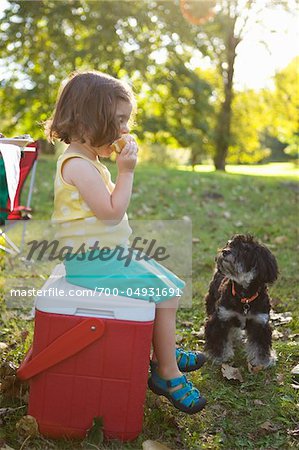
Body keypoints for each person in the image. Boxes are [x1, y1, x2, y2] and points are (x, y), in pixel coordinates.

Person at [47, 70, 206, 414]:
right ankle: (166, 372)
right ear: (90, 118)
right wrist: (127, 172)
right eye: (117, 120)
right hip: (91, 263)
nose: (124, 130)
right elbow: (111, 214)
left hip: (108, 255)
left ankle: (164, 350)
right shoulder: (79, 166)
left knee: (172, 287)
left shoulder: (88, 161)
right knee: (164, 293)